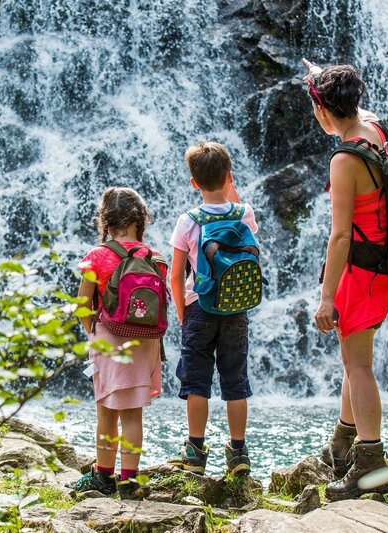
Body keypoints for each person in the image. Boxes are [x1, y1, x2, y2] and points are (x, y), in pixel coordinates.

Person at [303, 59, 388, 500]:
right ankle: (342, 444)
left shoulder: (345, 159)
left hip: (361, 272)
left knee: (358, 366)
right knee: (354, 360)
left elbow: (340, 235)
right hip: (386, 264)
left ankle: (372, 465)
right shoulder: (374, 130)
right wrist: (319, 75)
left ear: (324, 110)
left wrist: (326, 298)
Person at [166, 142, 258, 476]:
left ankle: (194, 450)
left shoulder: (187, 221)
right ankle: (238, 453)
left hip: (198, 309)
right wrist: (232, 188)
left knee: (196, 383)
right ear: (229, 176)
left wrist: (181, 311)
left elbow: (175, 275)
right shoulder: (244, 212)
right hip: (236, 309)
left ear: (194, 182)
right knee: (236, 381)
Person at [71, 187, 166, 500]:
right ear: (140, 220)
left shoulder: (97, 256)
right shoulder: (155, 258)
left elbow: (83, 303)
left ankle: (103, 475)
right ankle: (129, 481)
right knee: (133, 415)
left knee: (106, 412)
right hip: (146, 344)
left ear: (105, 222)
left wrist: (92, 333)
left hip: (110, 342)